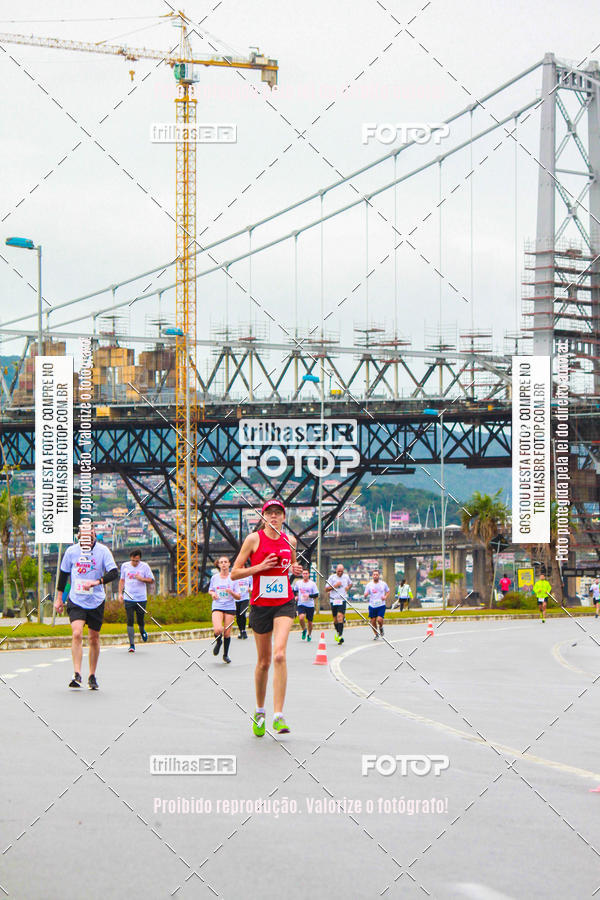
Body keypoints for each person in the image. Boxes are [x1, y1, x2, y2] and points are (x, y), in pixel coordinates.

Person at [231, 499, 302, 736]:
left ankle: (278, 715)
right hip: (260, 604)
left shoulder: (290, 541)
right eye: (269, 513)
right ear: (263, 517)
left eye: (277, 513)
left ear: (284, 517)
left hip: (284, 601)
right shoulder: (254, 540)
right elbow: (234, 573)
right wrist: (259, 567)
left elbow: (293, 566)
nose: (273, 517)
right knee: (264, 662)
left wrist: (296, 570)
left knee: (279, 654)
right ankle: (260, 711)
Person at [54, 524, 119, 690]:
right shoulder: (71, 552)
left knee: (94, 638)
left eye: (90, 538)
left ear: (94, 536)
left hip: (96, 599)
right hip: (76, 599)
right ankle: (76, 674)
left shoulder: (103, 551)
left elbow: (113, 572)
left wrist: (97, 582)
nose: (87, 541)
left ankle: (92, 675)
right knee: (77, 633)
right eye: (84, 538)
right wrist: (59, 599)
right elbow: (63, 576)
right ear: (78, 538)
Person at [118, 549, 155, 652]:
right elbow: (122, 580)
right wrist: (120, 593)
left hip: (141, 598)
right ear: (131, 558)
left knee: (140, 620)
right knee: (130, 620)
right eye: (134, 560)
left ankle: (142, 630)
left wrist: (142, 579)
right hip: (129, 598)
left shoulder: (145, 566)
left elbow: (152, 580)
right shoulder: (125, 566)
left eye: (137, 561)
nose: (135, 563)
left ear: (140, 559)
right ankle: (132, 645)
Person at [208, 556, 240, 663]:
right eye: (221, 562)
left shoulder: (233, 578)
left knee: (227, 633)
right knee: (218, 629)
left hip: (230, 607)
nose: (223, 564)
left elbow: (238, 596)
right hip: (217, 605)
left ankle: (225, 654)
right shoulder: (215, 578)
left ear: (229, 564)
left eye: (225, 562)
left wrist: (231, 592)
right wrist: (213, 594)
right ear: (218, 565)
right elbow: (211, 590)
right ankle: (218, 642)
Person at [325, 564, 352, 644]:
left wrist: (348, 587)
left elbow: (350, 583)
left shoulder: (346, 577)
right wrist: (334, 586)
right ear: (336, 570)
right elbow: (326, 589)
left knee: (340, 617)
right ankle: (338, 633)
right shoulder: (332, 578)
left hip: (342, 599)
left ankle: (340, 636)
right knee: (335, 620)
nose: (340, 573)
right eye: (338, 571)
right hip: (333, 600)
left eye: (341, 571)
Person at [293, 568, 318, 641]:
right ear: (302, 574)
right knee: (301, 618)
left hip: (310, 605)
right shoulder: (298, 583)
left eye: (306, 573)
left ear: (309, 575)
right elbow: (294, 590)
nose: (305, 575)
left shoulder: (312, 584)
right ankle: (304, 630)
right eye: (303, 573)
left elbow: (316, 595)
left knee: (310, 622)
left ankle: (309, 634)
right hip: (301, 604)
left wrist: (309, 596)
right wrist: (296, 596)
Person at [364, 570, 390, 639]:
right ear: (372, 576)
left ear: (379, 576)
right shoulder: (369, 585)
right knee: (373, 621)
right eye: (374, 575)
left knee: (379, 620)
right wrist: (366, 595)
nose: (375, 576)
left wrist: (385, 597)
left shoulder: (383, 584)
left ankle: (381, 628)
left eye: (377, 575)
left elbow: (388, 591)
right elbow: (365, 594)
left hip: (381, 605)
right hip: (372, 605)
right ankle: (376, 634)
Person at [236, 572, 252, 639]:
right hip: (236, 599)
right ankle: (241, 630)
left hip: (245, 598)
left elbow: (252, 584)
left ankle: (244, 630)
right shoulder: (234, 575)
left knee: (242, 613)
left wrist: (250, 589)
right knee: (238, 615)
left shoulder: (248, 575)